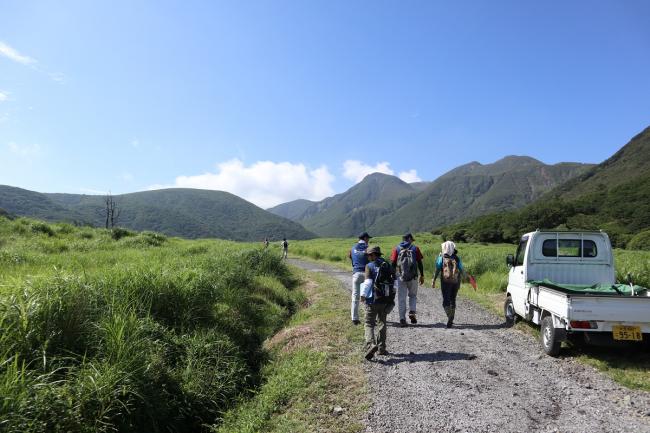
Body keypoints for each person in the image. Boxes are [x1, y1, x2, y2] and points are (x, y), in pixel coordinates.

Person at [360, 246, 395, 360]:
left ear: (374, 255)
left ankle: (371, 344)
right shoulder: (387, 264)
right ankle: (381, 348)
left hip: (373, 299)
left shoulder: (370, 266)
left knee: (369, 323)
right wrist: (391, 298)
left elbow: (368, 283)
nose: (368, 257)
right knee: (382, 323)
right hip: (385, 299)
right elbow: (394, 282)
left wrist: (363, 295)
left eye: (369, 255)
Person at [390, 233, 424, 327]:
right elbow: (420, 263)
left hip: (400, 277)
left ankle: (402, 319)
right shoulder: (415, 248)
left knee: (401, 298)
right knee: (412, 295)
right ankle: (412, 311)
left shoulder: (396, 249)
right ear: (409, 239)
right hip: (413, 277)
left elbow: (392, 263)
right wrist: (422, 275)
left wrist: (393, 276)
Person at [432, 241, 467, 328]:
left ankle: (449, 316)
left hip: (445, 282)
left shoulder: (441, 258)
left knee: (445, 301)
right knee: (453, 299)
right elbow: (462, 270)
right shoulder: (456, 258)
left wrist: (434, 280)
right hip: (456, 281)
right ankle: (452, 317)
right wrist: (466, 278)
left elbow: (437, 270)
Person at [348, 232, 372, 325]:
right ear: (365, 238)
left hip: (356, 273)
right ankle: (368, 317)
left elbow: (350, 256)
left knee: (355, 296)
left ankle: (354, 318)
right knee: (368, 296)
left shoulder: (353, 247)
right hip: (366, 274)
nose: (369, 240)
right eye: (368, 238)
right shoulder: (368, 248)